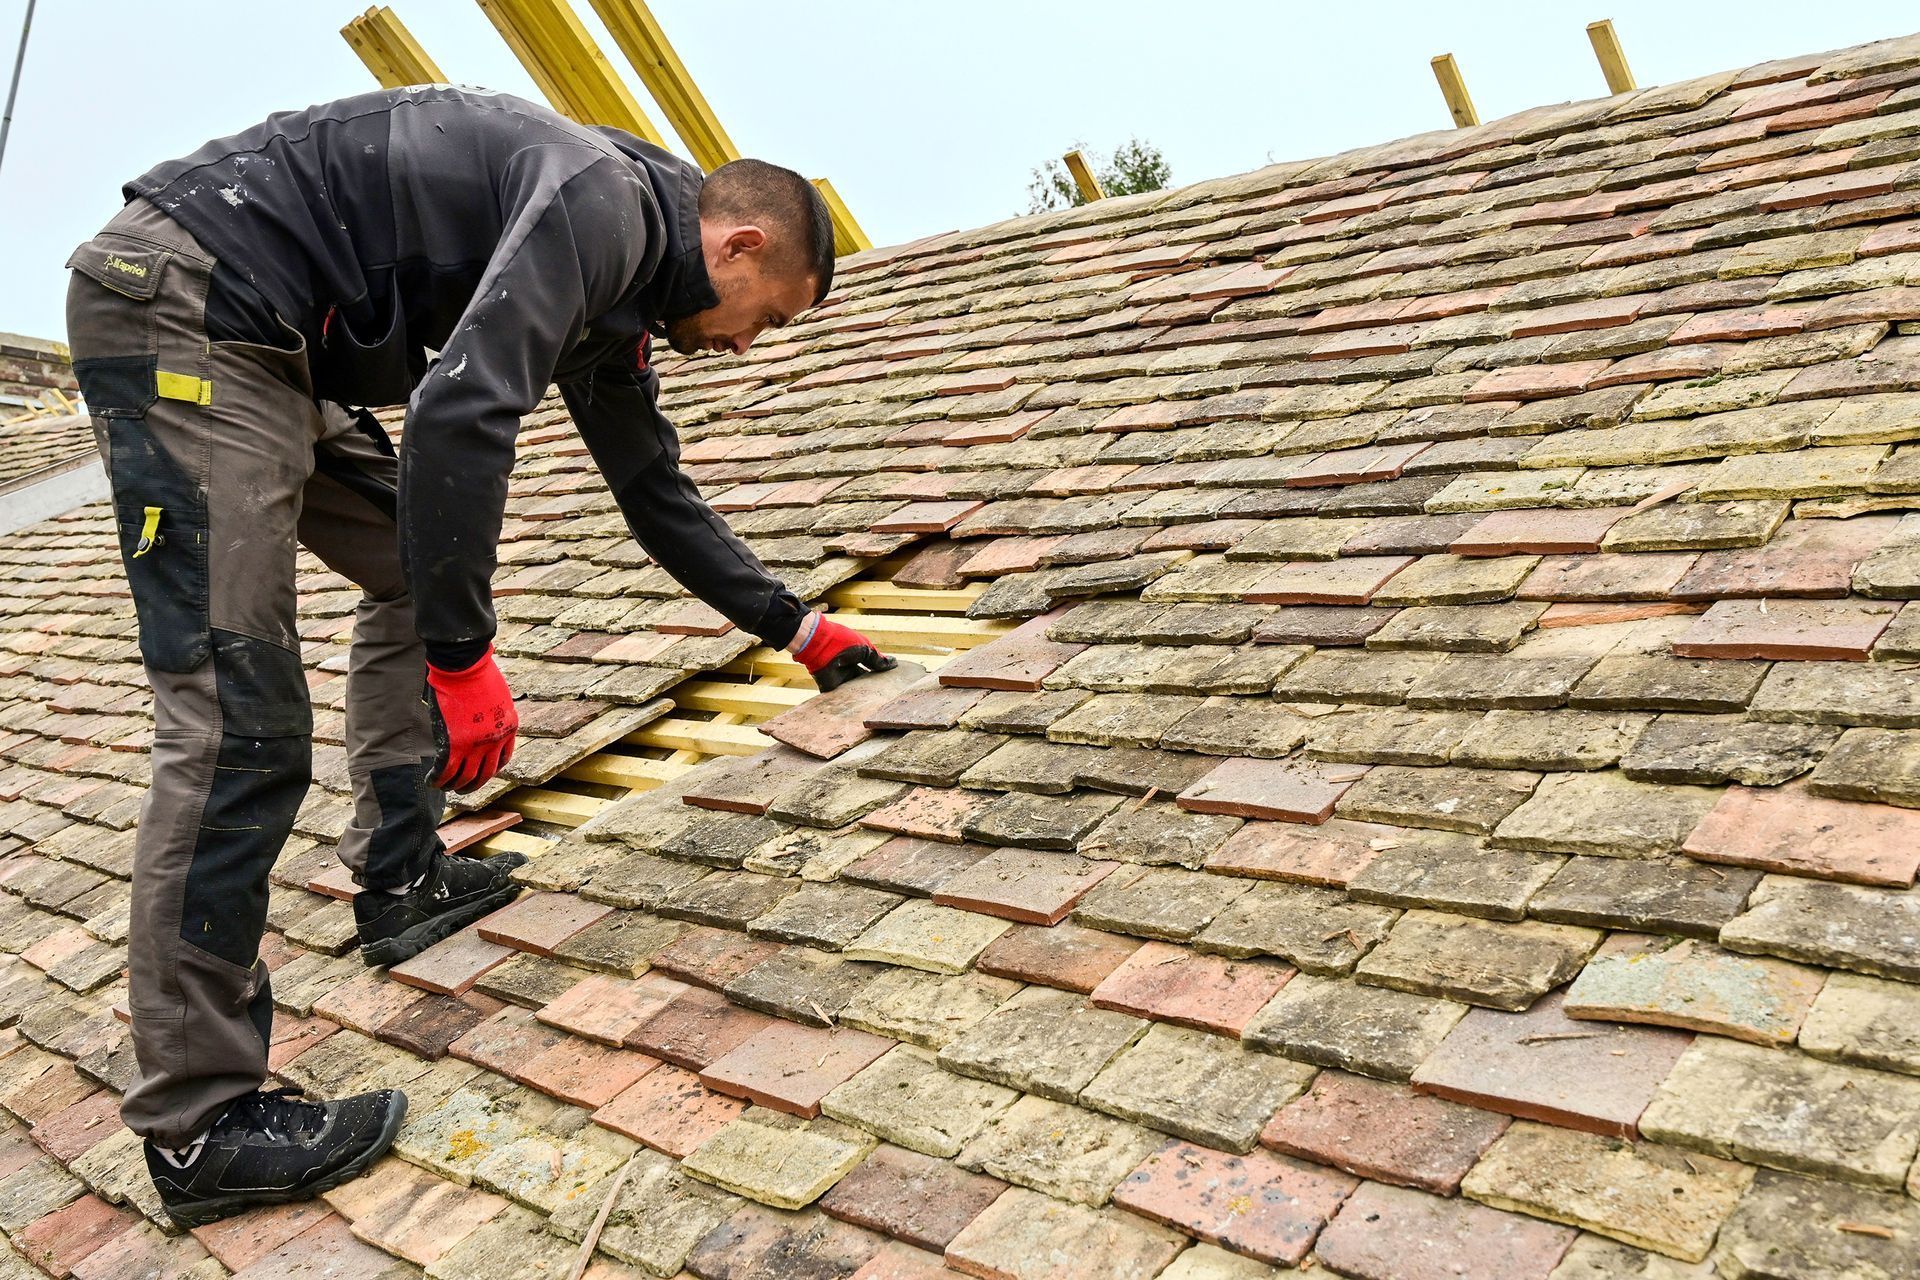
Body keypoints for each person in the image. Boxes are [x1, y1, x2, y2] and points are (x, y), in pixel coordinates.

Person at [63, 83, 893, 1226]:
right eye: (767, 316)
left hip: (275, 333)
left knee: (416, 553)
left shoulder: (627, 282)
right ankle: (201, 1124)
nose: (747, 344)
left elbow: (652, 484)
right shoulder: (599, 204)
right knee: (238, 713)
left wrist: (798, 627)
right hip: (195, 300)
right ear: (738, 242)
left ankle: (398, 876)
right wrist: (463, 660)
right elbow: (461, 410)